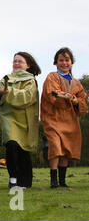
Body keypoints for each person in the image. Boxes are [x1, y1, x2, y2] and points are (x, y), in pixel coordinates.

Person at [0, 52, 41, 189]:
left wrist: (9, 92)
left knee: (22, 150)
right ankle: (13, 178)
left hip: (25, 120)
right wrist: (0, 93)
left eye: (20, 61)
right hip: (9, 117)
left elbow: (27, 97)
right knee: (11, 145)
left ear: (28, 65)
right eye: (15, 61)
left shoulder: (31, 81)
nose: (16, 64)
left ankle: (24, 181)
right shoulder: (5, 78)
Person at [40, 47, 87, 188]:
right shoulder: (51, 77)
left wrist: (76, 101)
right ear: (56, 62)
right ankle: (53, 180)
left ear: (71, 63)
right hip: (53, 118)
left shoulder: (77, 83)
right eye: (61, 60)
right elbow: (51, 94)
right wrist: (65, 97)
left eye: (67, 60)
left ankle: (62, 181)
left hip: (70, 120)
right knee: (55, 146)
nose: (64, 63)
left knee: (66, 149)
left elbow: (83, 102)